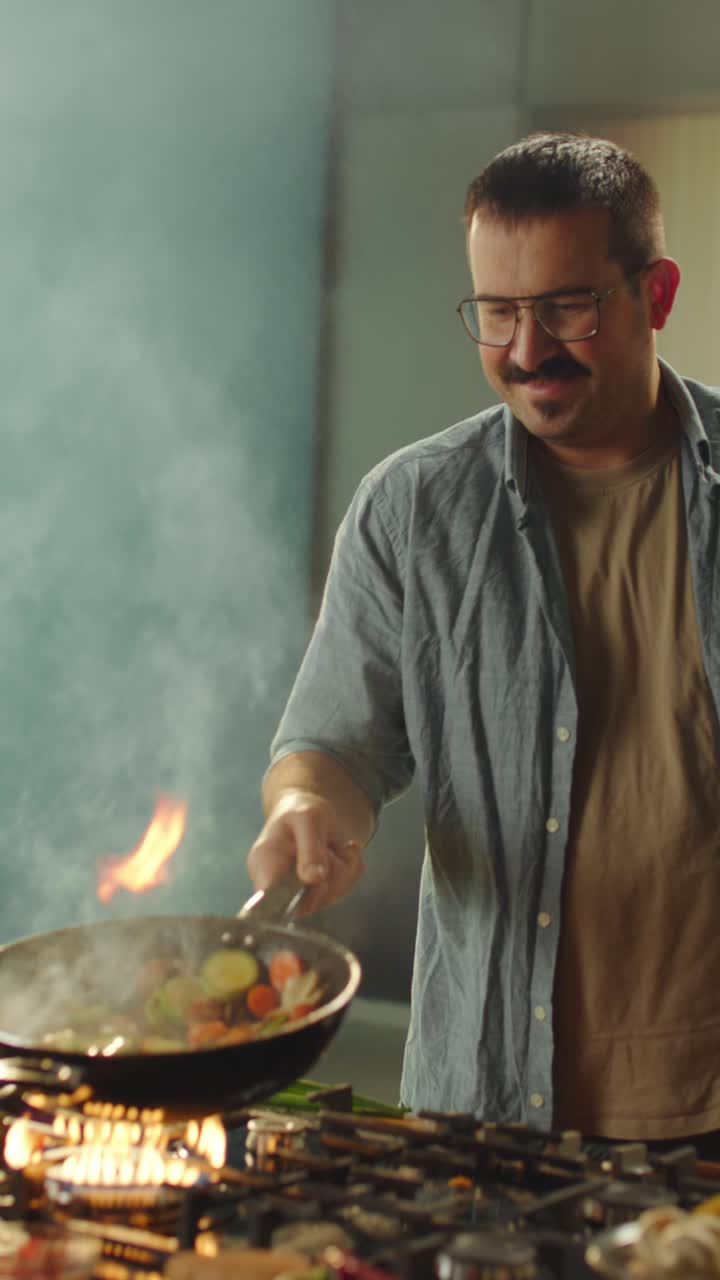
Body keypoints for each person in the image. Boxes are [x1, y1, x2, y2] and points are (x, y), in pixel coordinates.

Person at [247, 132, 720, 1147]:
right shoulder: (414, 509)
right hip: (489, 1111)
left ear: (659, 292)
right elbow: (335, 747)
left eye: (566, 306)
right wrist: (303, 811)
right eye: (497, 311)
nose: (524, 348)